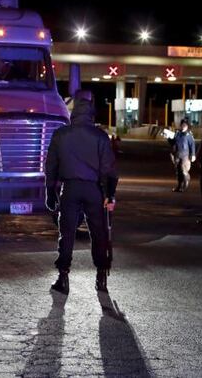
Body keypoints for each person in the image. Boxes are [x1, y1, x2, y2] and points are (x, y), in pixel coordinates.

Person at [45, 92, 118, 294]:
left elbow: (50, 165)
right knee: (99, 233)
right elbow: (109, 169)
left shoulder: (61, 134)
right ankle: (101, 277)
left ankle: (63, 276)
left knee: (66, 233)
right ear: (91, 113)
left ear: (74, 112)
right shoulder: (100, 136)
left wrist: (49, 191)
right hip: (95, 190)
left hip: (70, 189)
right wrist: (110, 194)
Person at [168, 118, 196, 192]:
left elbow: (192, 145)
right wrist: (168, 137)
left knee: (184, 171)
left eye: (185, 125)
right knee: (178, 171)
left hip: (185, 156)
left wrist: (193, 155)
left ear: (187, 126)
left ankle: (185, 185)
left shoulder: (189, 135)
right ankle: (179, 185)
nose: (183, 126)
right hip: (177, 155)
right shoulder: (177, 133)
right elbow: (173, 143)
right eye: (182, 124)